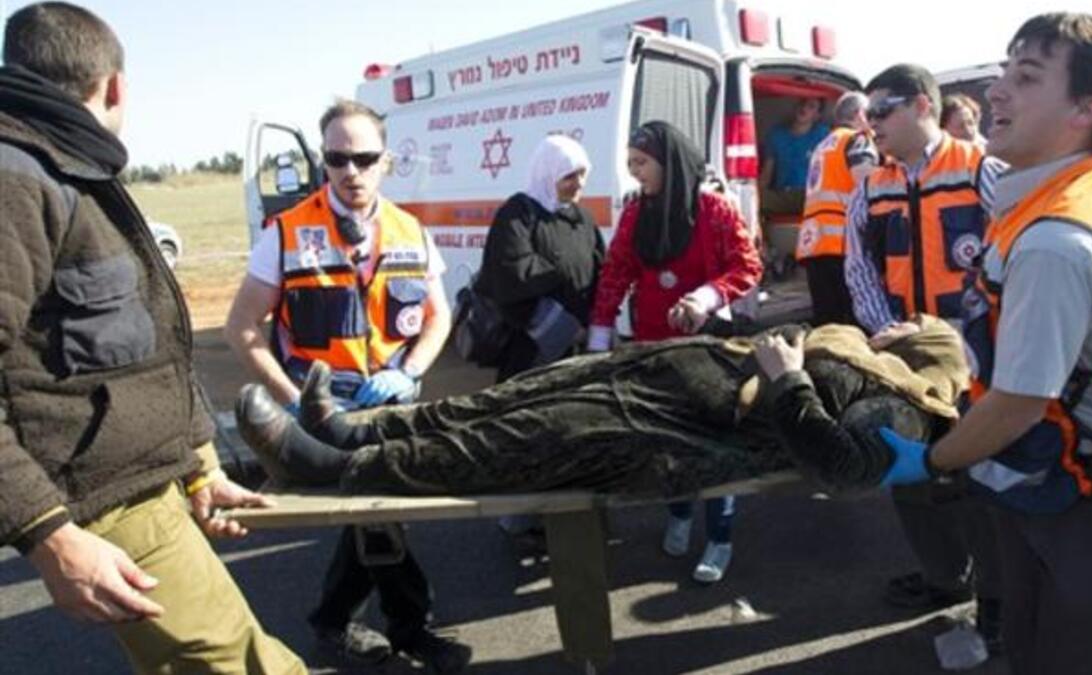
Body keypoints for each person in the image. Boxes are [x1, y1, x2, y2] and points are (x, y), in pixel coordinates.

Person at [877, 13, 1092, 674]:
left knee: (1085, 659)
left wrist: (932, 460)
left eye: (1025, 77)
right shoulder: (1063, 190)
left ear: (1089, 107)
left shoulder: (1055, 239)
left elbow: (1021, 402)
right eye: (1004, 71)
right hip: (1082, 466)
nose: (996, 91)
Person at [0, 4, 303, 673]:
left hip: (146, 481)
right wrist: (46, 535)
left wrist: (200, 462)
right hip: (105, 495)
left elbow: (141, 344)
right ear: (115, 87)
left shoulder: (68, 163)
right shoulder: (17, 177)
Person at [224, 100, 469, 671]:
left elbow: (439, 317)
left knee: (374, 512)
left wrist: (407, 372)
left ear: (386, 161)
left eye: (363, 157)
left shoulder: (411, 229)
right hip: (321, 409)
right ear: (324, 162)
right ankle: (409, 627)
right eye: (337, 158)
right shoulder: (285, 233)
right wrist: (291, 399)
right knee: (379, 509)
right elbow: (241, 328)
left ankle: (335, 624)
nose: (350, 171)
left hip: (390, 402)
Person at [235, 316, 970, 499]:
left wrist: (789, 381)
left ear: (925, 351)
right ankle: (349, 425)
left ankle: (335, 466)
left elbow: (841, 468)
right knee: (499, 401)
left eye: (909, 325)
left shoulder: (902, 411)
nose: (895, 320)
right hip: (660, 374)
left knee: (511, 440)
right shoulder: (861, 350)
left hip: (671, 429)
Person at [843, 63, 1007, 645]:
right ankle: (944, 578)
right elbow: (858, 268)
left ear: (921, 107)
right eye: (866, 113)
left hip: (981, 366)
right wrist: (889, 334)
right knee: (909, 473)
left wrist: (972, 343)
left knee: (983, 483)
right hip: (904, 363)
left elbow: (1016, 257)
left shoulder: (984, 171)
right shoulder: (870, 186)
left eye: (881, 110)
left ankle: (997, 599)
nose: (869, 125)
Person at [588, 120, 763, 583]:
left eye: (642, 164)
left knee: (714, 441)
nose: (636, 174)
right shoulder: (635, 213)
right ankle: (680, 513)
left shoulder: (714, 209)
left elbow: (747, 265)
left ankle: (720, 537)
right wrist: (600, 333)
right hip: (652, 344)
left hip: (707, 346)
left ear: (669, 162)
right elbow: (616, 271)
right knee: (667, 439)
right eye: (631, 165)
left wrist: (706, 297)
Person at [477, 134, 605, 537]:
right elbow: (510, 273)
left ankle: (571, 516)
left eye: (583, 175)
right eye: (570, 175)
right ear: (548, 173)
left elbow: (599, 268)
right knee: (526, 429)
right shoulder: (519, 212)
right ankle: (519, 514)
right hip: (529, 346)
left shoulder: (581, 218)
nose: (578, 184)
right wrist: (563, 274)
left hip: (576, 345)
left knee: (573, 429)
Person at [796, 91, 878, 325]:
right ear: (860, 115)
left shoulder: (823, 146)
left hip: (815, 246)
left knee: (826, 324)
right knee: (852, 326)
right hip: (844, 244)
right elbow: (867, 184)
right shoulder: (858, 140)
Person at [760, 97, 830, 217]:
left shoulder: (823, 135)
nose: (804, 108)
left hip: (809, 195)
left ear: (817, 116)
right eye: (802, 103)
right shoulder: (776, 135)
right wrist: (755, 193)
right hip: (782, 195)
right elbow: (767, 173)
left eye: (811, 106)